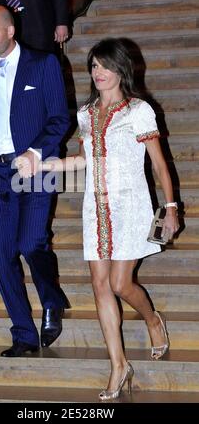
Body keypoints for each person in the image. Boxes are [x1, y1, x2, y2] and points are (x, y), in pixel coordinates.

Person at [40, 38, 179, 399]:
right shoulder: (85, 114)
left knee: (120, 284)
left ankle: (151, 318)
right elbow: (86, 161)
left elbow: (160, 164)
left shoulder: (139, 111)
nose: (97, 72)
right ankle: (118, 365)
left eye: (104, 65)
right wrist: (49, 164)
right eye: (93, 66)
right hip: (95, 207)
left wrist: (172, 207)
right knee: (99, 285)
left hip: (130, 207)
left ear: (121, 69)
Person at [0, 5, 70, 356]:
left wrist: (35, 153)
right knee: (0, 255)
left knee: (29, 243)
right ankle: (23, 335)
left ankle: (51, 299)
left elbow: (59, 118)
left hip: (35, 171)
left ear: (11, 31)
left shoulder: (43, 64)